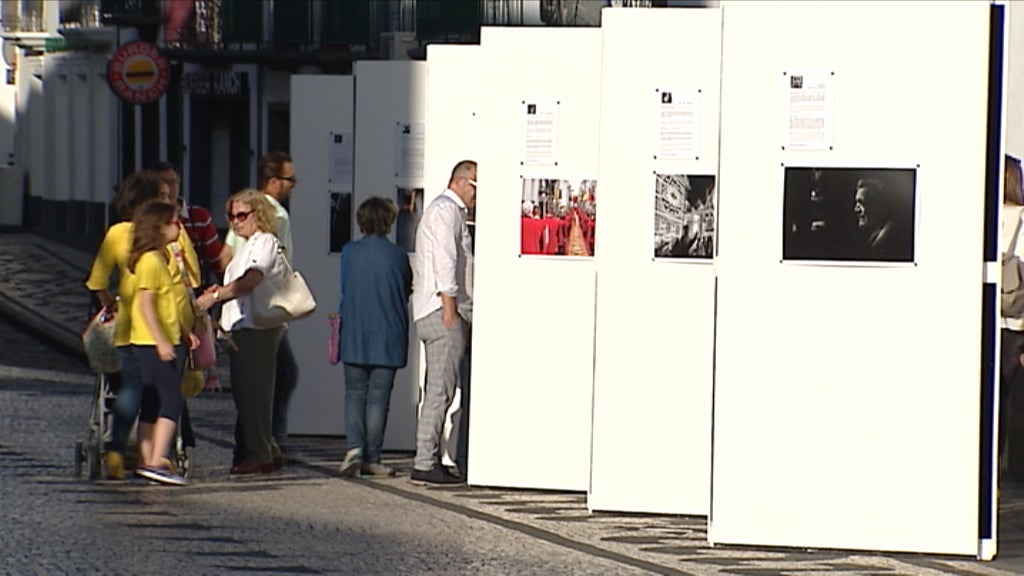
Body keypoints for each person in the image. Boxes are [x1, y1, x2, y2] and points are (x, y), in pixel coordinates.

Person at [85, 171, 179, 479]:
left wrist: (110, 303)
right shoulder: (160, 243)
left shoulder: (116, 234)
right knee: (163, 394)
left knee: (131, 388)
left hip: (127, 327)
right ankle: (157, 455)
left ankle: (116, 449)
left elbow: (97, 281)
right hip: (156, 328)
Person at [197, 189, 285, 475]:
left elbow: (251, 280)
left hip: (256, 327)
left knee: (253, 394)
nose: (236, 221)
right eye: (232, 216)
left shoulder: (265, 242)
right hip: (242, 327)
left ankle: (260, 453)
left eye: (242, 215)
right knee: (247, 392)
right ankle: (267, 447)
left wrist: (216, 296)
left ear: (258, 214)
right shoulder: (248, 245)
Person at [224, 152, 300, 452]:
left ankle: (258, 444)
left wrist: (223, 293)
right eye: (290, 179)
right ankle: (266, 442)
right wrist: (225, 293)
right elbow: (258, 273)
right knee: (270, 380)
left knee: (256, 383)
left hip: (252, 311)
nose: (294, 185)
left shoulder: (249, 217)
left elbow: (226, 256)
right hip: (263, 311)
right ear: (273, 181)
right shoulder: (274, 216)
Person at [410, 160, 476, 485]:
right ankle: (425, 461)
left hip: (438, 309)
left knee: (438, 388)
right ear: (462, 182)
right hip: (441, 311)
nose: (478, 195)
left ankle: (430, 458)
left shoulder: (446, 210)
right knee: (440, 390)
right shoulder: (446, 211)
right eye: (476, 187)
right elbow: (445, 260)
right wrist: (451, 309)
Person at [337, 197, 413, 478]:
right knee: (379, 399)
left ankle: (354, 448)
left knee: (354, 393)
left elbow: (345, 287)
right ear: (389, 222)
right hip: (388, 333)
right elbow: (406, 288)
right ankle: (372, 457)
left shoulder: (349, 252)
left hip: (355, 331)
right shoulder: (398, 255)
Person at [128, 200, 199, 486]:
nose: (179, 226)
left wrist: (183, 330)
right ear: (158, 228)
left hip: (156, 340)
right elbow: (146, 306)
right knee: (172, 401)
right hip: (151, 343)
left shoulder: (159, 259)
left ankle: (146, 461)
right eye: (173, 222)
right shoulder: (151, 262)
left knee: (152, 402)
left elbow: (165, 304)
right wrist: (161, 341)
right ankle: (156, 460)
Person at [1001, 155, 1024, 478]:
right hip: (1015, 325)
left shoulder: (984, 215)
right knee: (1010, 403)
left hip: (989, 321)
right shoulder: (1020, 219)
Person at [853, 177, 912, 261]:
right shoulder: (875, 236)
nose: (856, 209)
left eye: (862, 203)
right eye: (857, 204)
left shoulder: (882, 244)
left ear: (879, 206)